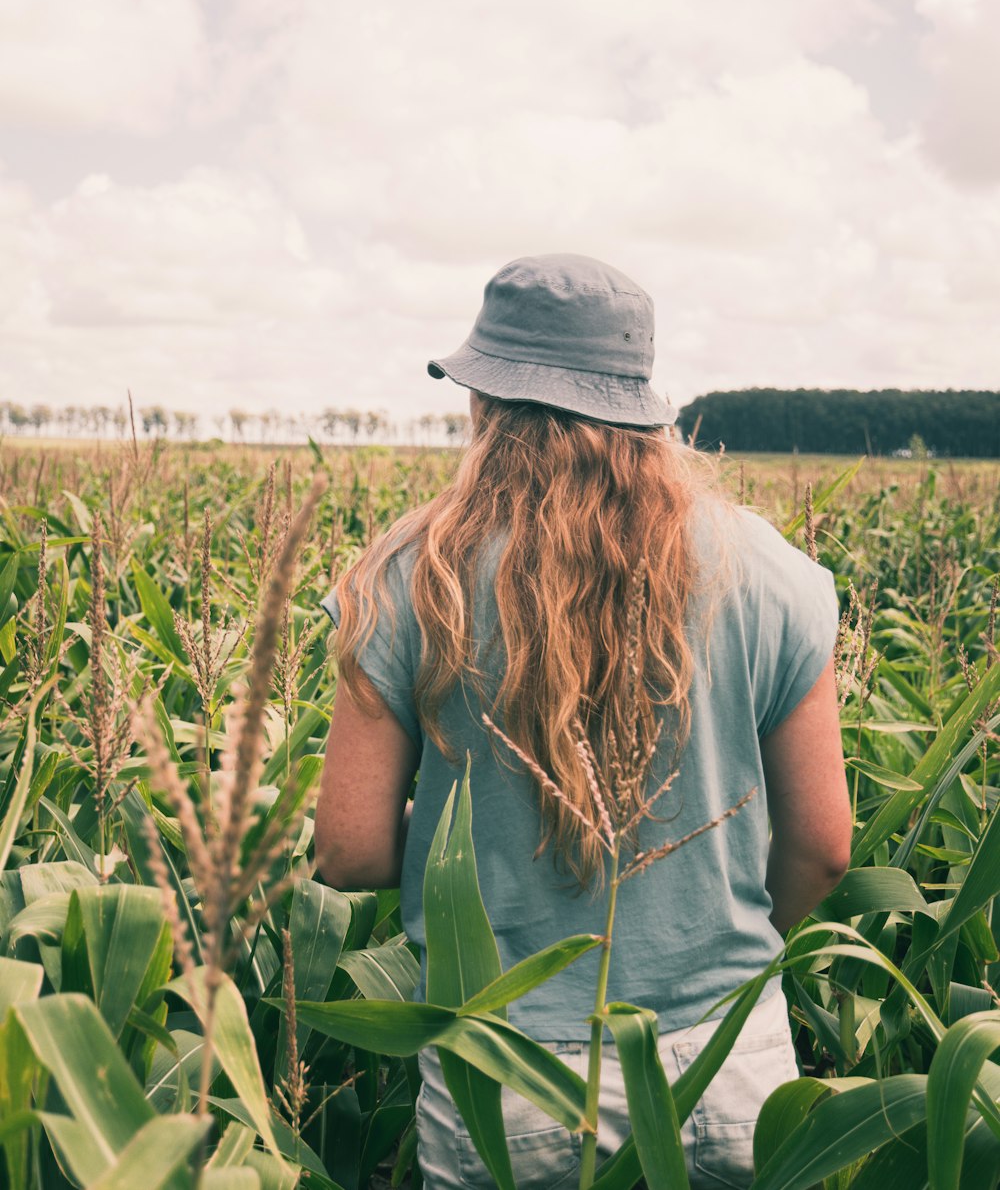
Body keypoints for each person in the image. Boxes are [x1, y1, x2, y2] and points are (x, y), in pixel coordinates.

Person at [315, 253, 852, 1190]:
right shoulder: (771, 575)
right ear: (642, 404)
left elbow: (350, 852)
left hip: (505, 1074)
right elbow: (824, 847)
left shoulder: (405, 579)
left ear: (487, 403)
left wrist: (480, 852)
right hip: (730, 1064)